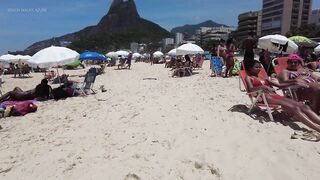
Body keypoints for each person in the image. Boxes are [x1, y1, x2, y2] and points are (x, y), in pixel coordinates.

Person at [245, 60, 320, 133]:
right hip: (265, 97)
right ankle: (317, 128)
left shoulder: (263, 77)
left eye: (259, 67)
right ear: (250, 68)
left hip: (275, 95)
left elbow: (279, 85)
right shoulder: (249, 78)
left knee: (304, 106)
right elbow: (250, 90)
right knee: (295, 108)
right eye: (256, 67)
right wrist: (261, 87)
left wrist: (294, 81)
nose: (259, 69)